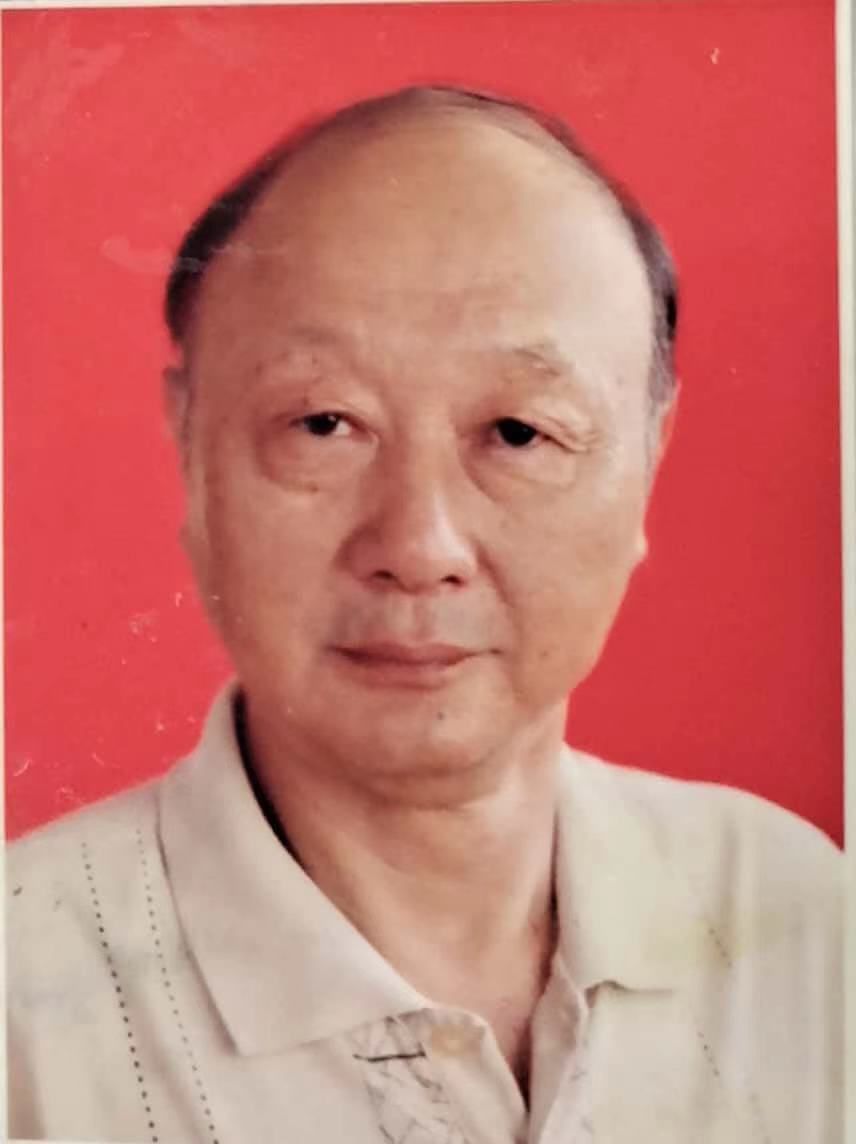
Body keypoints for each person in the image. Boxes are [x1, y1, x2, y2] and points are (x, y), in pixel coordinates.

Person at [7, 86, 842, 1144]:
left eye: (519, 432)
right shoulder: (21, 1006)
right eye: (324, 422)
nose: (419, 545)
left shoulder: (803, 918)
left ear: (649, 460)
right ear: (190, 447)